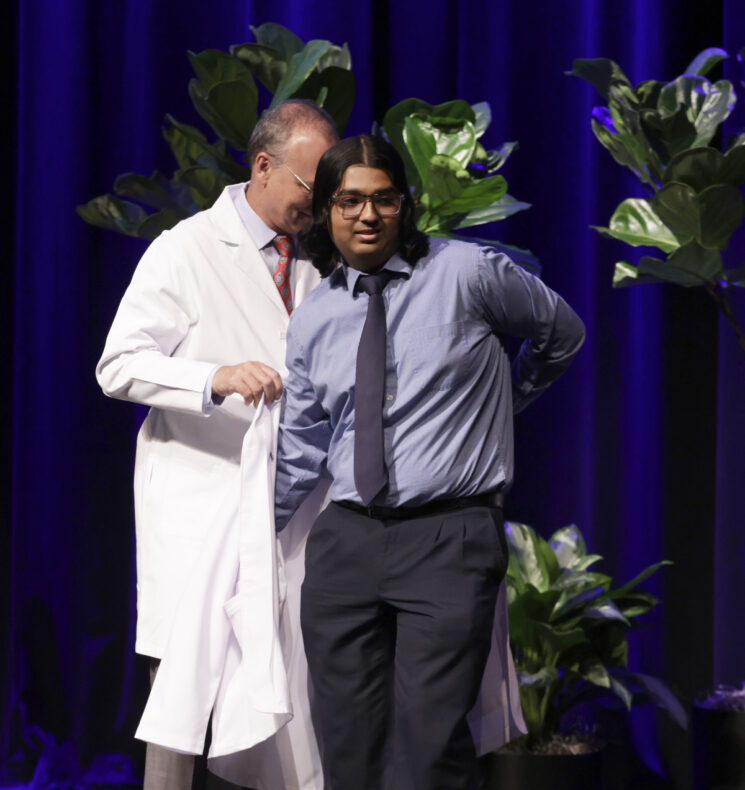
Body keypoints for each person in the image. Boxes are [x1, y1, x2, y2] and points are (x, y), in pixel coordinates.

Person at [274, 134, 586, 790]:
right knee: (347, 755)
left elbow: (561, 332)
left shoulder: (467, 274)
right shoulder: (313, 317)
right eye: (349, 201)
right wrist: (246, 541)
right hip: (346, 543)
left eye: (382, 199)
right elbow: (301, 446)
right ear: (327, 212)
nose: (366, 215)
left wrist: (509, 396)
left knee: (426, 753)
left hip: (447, 538)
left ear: (405, 206)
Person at [96, 99, 338, 790]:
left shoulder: (314, 265)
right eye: (308, 186)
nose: (319, 205)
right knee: (181, 712)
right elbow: (117, 366)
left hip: (285, 516)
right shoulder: (186, 248)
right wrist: (214, 377)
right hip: (202, 508)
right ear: (262, 166)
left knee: (283, 705)